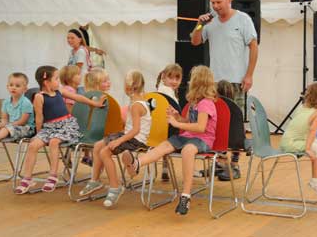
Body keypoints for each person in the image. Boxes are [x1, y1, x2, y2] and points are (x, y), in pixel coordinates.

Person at [122, 65, 217, 216]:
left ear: (197, 82)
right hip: (188, 136)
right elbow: (189, 120)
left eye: (192, 79)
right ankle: (136, 163)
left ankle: (185, 196)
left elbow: (200, 127)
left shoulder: (206, 103)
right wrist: (178, 117)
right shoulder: (195, 102)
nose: (189, 82)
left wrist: (177, 123)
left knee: (188, 150)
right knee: (164, 145)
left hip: (202, 139)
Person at [190, 0, 259, 181]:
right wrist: (199, 24)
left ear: (229, 0)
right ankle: (220, 162)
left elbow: (254, 47)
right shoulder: (209, 22)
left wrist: (249, 75)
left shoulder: (243, 20)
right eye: (213, 2)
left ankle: (235, 164)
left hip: (236, 80)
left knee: (235, 121)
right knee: (215, 121)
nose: (216, 6)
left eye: (219, 2)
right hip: (214, 83)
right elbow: (195, 41)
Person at [14, 65, 105, 195]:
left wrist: (94, 104)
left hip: (66, 125)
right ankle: (27, 178)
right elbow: (39, 118)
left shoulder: (60, 91)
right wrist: (39, 134)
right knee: (33, 145)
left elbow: (78, 98)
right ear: (46, 82)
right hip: (48, 128)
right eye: (56, 79)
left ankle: (53, 176)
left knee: (54, 142)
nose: (59, 81)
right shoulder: (39, 97)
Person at [79, 70, 151, 208]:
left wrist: (119, 140)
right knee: (99, 145)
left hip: (136, 140)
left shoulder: (136, 105)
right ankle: (95, 180)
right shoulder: (135, 101)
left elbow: (135, 130)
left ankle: (115, 187)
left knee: (104, 152)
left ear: (129, 87)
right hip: (128, 135)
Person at [279, 82, 317, 197]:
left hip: (289, 140)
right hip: (292, 143)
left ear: (309, 95)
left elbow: (305, 129)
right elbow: (312, 130)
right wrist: (308, 148)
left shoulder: (303, 107)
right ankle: (315, 181)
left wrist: (312, 144)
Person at [156, 63, 183, 181]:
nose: (174, 81)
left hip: (156, 132)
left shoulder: (158, 91)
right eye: (171, 77)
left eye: (177, 78)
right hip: (168, 131)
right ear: (163, 77)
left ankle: (165, 168)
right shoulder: (167, 92)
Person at [81, 67, 111, 166]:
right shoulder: (100, 99)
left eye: (108, 80)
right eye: (105, 81)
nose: (108, 82)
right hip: (98, 134)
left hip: (85, 133)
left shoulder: (86, 97)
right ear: (96, 84)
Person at [67, 29, 92, 94]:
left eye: (72, 38)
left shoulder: (81, 51)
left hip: (81, 84)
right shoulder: (72, 51)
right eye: (68, 38)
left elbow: (77, 69)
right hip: (75, 83)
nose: (69, 40)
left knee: (81, 103)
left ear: (80, 39)